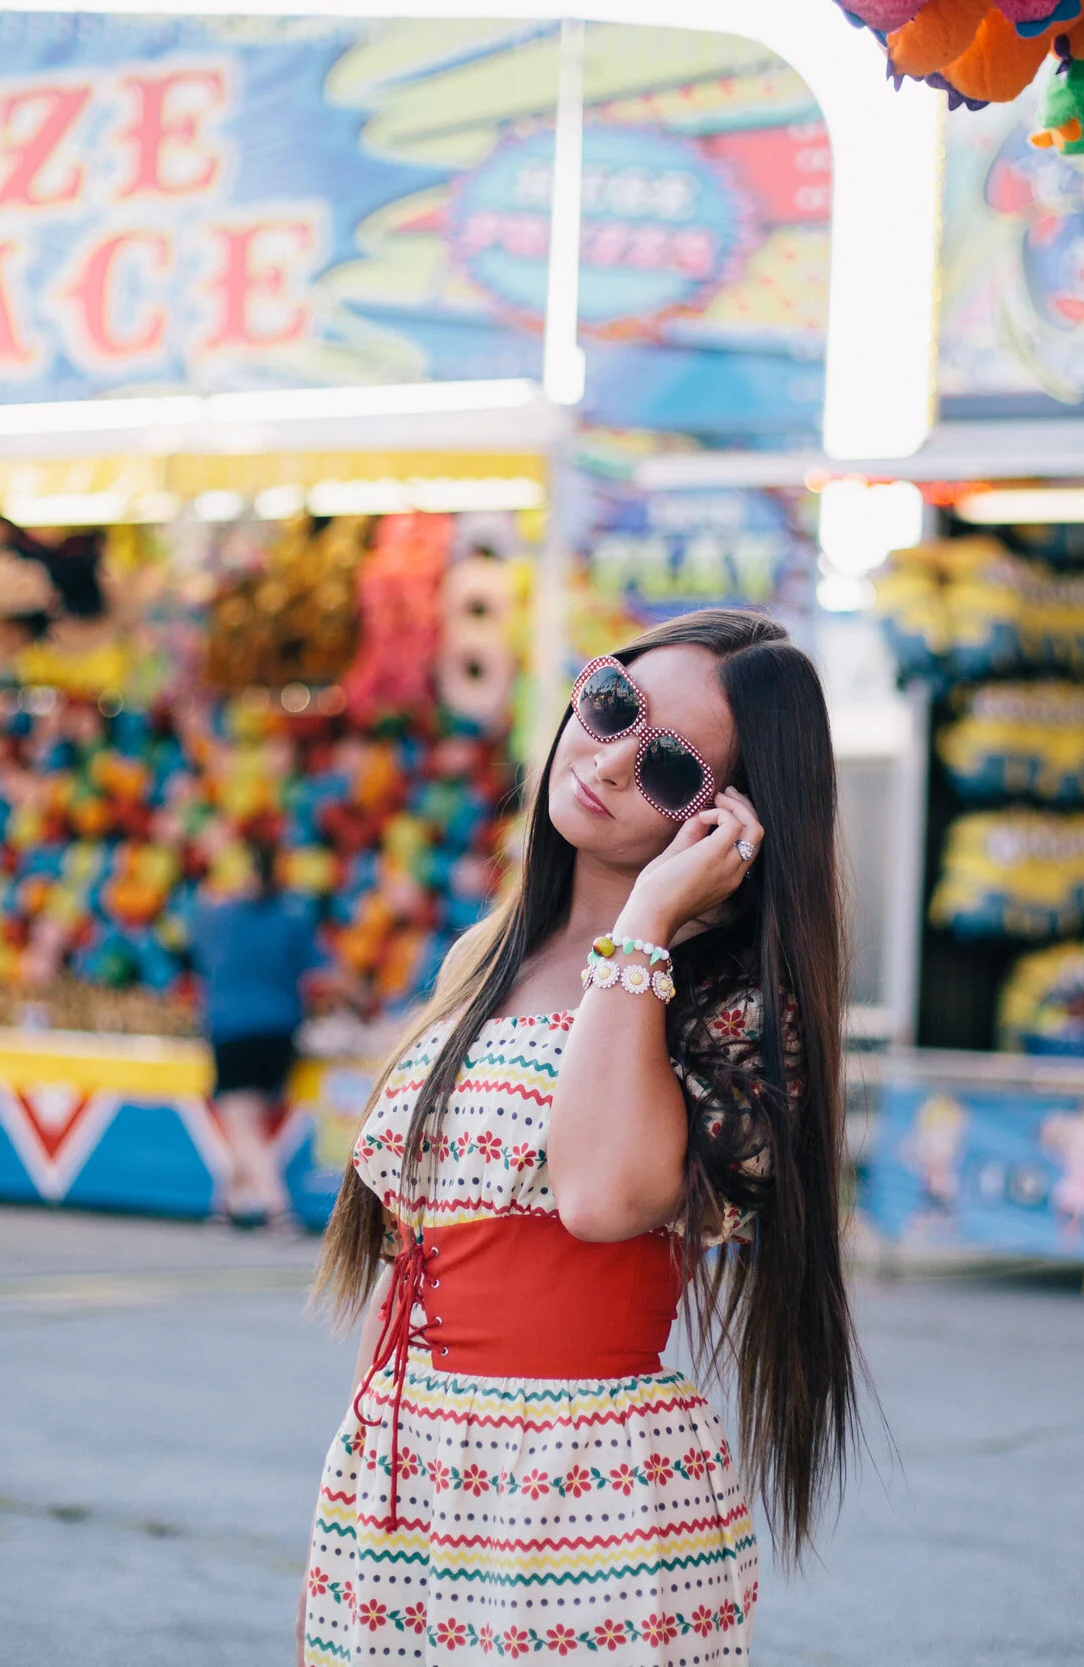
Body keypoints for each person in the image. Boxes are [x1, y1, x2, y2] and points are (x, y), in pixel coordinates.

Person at [300, 609, 858, 1664]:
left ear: (728, 821)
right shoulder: (483, 953)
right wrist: (349, 1520)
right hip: (402, 1467)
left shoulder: (729, 1002)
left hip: (583, 1491)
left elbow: (601, 1198)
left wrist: (644, 925)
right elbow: (409, 1248)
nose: (604, 760)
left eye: (669, 767)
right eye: (610, 706)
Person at [189, 837, 322, 1228]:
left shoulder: (214, 917)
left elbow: (197, 957)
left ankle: (277, 1206)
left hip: (233, 1027)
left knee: (242, 1120)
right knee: (248, 1118)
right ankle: (226, 1204)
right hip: (280, 1029)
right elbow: (314, 969)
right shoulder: (293, 918)